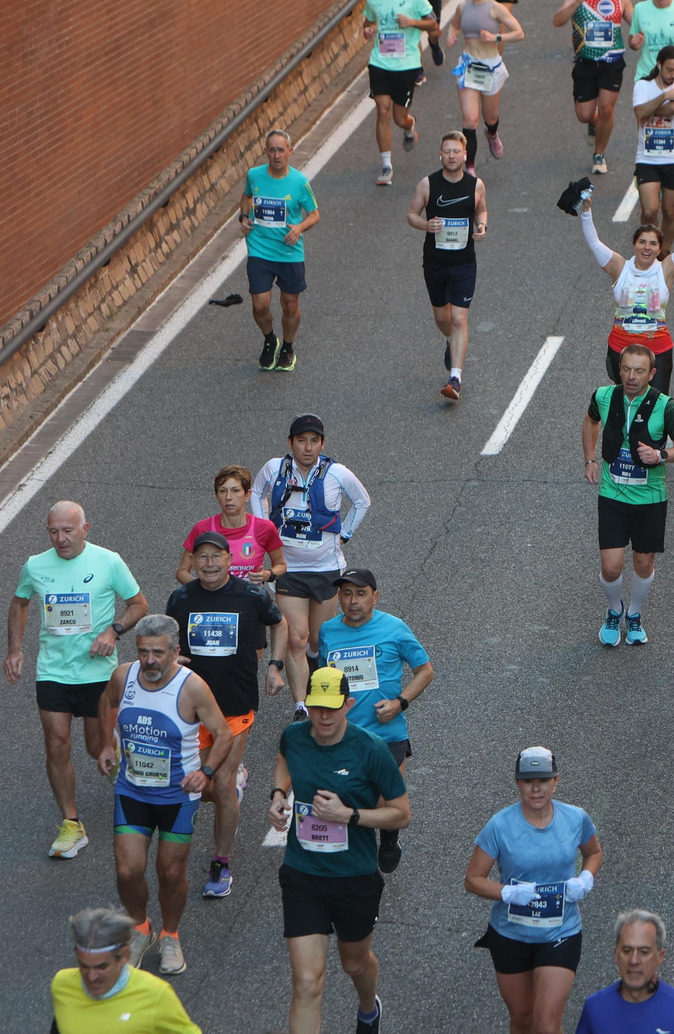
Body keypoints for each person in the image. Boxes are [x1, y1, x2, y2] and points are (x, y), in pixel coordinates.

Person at [267, 667, 409, 1034]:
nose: (324, 716)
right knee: (307, 983)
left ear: (348, 704)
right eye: (316, 707)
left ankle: (368, 1009)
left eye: (332, 707)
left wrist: (348, 815)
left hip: (354, 877)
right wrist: (279, 794)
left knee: (354, 964)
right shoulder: (294, 737)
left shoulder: (371, 751)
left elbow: (401, 814)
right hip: (303, 874)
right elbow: (284, 758)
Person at [6, 501, 146, 861]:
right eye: (53, 531)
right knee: (57, 743)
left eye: (68, 530)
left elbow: (138, 604)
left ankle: (126, 774)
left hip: (98, 673)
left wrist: (114, 632)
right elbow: (20, 602)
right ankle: (71, 823)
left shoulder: (108, 561)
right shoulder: (36, 566)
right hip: (53, 672)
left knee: (95, 746)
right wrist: (15, 649)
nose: (60, 538)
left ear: (86, 528)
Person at [96, 615, 231, 976]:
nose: (150, 660)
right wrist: (107, 742)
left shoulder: (192, 688)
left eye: (158, 652)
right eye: (143, 652)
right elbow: (107, 702)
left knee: (170, 873)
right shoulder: (124, 677)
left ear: (175, 652)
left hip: (176, 797)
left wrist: (205, 774)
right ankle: (140, 928)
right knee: (128, 870)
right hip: (132, 789)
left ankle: (170, 935)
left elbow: (223, 734)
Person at [165, 532, 286, 900]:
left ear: (229, 559)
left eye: (216, 556)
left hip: (235, 704)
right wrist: (174, 658)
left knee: (219, 783)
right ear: (194, 562)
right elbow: (170, 640)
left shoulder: (251, 596)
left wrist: (275, 666)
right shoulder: (181, 598)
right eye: (201, 557)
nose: (209, 563)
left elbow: (279, 623)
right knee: (199, 787)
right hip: (192, 705)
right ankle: (234, 783)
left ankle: (221, 862)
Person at [463, 747, 603, 1034]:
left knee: (547, 1025)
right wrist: (507, 893)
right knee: (523, 1019)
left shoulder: (575, 818)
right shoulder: (500, 825)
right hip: (510, 935)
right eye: (528, 781)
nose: (536, 788)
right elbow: (473, 879)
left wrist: (585, 878)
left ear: (556, 781)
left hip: (560, 932)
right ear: (517, 783)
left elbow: (593, 852)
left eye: (544, 779)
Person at [252, 415, 372, 717]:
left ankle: (315, 674)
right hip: (289, 569)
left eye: (314, 441)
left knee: (317, 640)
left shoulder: (337, 473)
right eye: (302, 441)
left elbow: (362, 502)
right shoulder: (274, 468)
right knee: (297, 637)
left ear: (323, 443)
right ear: (290, 443)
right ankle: (301, 705)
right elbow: (256, 493)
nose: (308, 447)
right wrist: (264, 529)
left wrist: (344, 534)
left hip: (326, 569)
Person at [318, 569, 434, 874]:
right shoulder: (328, 631)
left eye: (360, 593)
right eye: (346, 594)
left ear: (375, 597)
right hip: (343, 735)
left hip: (387, 734)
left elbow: (425, 671)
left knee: (386, 803)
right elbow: (322, 681)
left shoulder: (394, 629)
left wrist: (400, 703)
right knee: (346, 803)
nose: (353, 601)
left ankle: (389, 840)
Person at [584, 344, 674, 646]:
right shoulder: (603, 396)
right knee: (610, 566)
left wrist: (661, 455)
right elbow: (590, 420)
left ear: (652, 373)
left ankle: (633, 614)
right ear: (619, 369)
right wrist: (590, 460)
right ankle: (613, 610)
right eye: (626, 369)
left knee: (643, 564)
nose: (631, 376)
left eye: (639, 371)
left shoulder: (665, 406)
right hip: (612, 494)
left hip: (650, 499)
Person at [578, 172, 674, 393]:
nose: (647, 248)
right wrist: (586, 212)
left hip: (657, 349)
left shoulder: (666, 269)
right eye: (642, 242)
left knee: (655, 410)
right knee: (627, 407)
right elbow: (594, 243)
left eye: (653, 244)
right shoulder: (619, 267)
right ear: (634, 245)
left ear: (659, 249)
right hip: (621, 348)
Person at [408, 131, 488, 401]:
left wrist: (482, 225)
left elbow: (481, 210)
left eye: (457, 151)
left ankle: (455, 378)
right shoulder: (427, 185)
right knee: (443, 318)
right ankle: (451, 341)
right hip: (435, 262)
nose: (452, 156)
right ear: (440, 154)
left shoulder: (476, 185)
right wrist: (425, 225)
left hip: (464, 263)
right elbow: (411, 215)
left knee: (458, 318)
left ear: (465, 155)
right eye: (447, 151)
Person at [239, 129, 320, 372]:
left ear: (290, 151)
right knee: (260, 304)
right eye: (272, 150)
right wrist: (243, 217)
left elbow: (315, 214)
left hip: (289, 252)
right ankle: (269, 339)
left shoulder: (299, 183)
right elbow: (245, 198)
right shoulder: (254, 176)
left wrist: (299, 227)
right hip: (259, 249)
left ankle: (287, 346)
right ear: (266, 151)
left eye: (281, 150)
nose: (276, 155)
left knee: (290, 305)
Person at [50, 907, 201, 1034]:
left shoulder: (155, 995)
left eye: (102, 967)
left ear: (124, 956)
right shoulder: (62, 985)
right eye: (84, 966)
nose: (92, 976)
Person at [576, 911, 674, 1032]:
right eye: (627, 951)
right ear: (616, 955)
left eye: (644, 952)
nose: (634, 960)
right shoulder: (595, 1009)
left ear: (660, 957)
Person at [444, 0, 525, 179]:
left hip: (490, 66)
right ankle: (469, 167)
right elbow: (454, 25)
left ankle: (492, 134)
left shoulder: (496, 9)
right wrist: (451, 37)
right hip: (469, 65)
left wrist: (496, 37)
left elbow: (519, 33)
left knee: (490, 117)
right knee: (470, 120)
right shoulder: (463, 6)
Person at [556, 0, 636, 174]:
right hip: (585, 62)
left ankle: (599, 154)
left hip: (612, 61)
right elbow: (557, 21)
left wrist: (637, 38)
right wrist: (576, 3)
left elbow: (636, 23)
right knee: (584, 114)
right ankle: (595, 121)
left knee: (607, 109)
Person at [363, 0, 437, 187]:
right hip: (380, 61)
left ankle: (409, 125)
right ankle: (386, 165)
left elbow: (433, 23)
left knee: (398, 117)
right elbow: (367, 24)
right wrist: (368, 31)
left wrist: (412, 22)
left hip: (406, 64)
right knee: (382, 109)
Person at [175, 464, 286, 587]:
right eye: (223, 491)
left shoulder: (265, 528)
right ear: (216, 496)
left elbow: (281, 565)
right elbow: (182, 572)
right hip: (214, 603)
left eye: (235, 490)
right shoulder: (202, 528)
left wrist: (268, 574)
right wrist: (203, 590)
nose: (228, 497)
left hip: (248, 601)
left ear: (247, 495)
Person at [633, 47, 674, 246]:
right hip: (647, 158)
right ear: (659, 65)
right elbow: (639, 112)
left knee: (670, 212)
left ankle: (664, 252)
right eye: (669, 70)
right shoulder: (642, 86)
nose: (673, 75)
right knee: (649, 210)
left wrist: (650, 111)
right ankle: (651, 246)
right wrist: (664, 96)